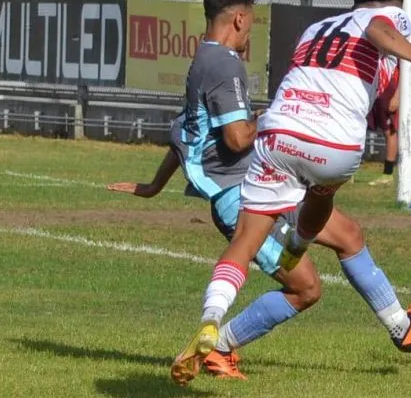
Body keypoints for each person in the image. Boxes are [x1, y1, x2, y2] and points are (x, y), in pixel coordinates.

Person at [170, 0, 411, 387]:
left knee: (347, 235)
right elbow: (377, 31)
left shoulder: (315, 29)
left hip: (278, 143)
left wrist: (157, 182)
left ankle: (214, 318)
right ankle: (224, 341)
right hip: (323, 150)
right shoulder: (384, 20)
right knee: (307, 282)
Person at [107, 115, 369, 381]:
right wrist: (270, 117)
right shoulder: (223, 88)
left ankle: (215, 337)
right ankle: (217, 344)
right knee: (307, 287)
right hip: (251, 202)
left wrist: (154, 187)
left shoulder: (190, 113)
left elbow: (180, 145)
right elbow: (238, 138)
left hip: (268, 195)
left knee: (337, 247)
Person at [366, 56, 400, 186]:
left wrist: (397, 97)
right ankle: (351, 169)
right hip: (373, 87)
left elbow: (405, 72)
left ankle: (388, 174)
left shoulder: (398, 44)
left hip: (388, 89)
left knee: (389, 131)